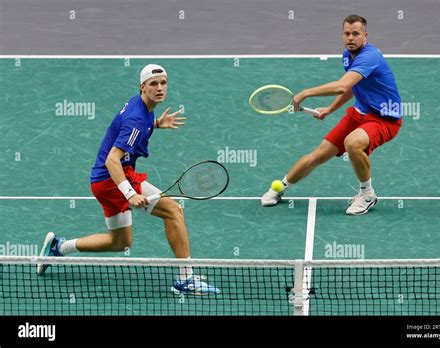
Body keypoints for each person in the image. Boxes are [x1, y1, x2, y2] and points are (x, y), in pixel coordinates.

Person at [37, 64, 220, 295]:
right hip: (114, 178)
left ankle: (58, 247)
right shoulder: (136, 119)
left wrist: (155, 124)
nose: (160, 88)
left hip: (103, 182)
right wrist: (130, 193)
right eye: (154, 84)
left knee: (119, 242)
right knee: (173, 211)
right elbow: (112, 160)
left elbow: (131, 130)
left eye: (163, 83)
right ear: (142, 87)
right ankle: (185, 278)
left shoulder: (141, 106)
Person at [261, 15, 403, 215]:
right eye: (347, 33)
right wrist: (330, 109)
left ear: (365, 35)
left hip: (385, 118)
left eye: (356, 33)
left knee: (352, 143)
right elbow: (352, 88)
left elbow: (342, 85)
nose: (351, 38)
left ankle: (367, 194)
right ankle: (280, 188)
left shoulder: (369, 56)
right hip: (359, 113)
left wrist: (305, 93)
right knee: (319, 154)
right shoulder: (347, 56)